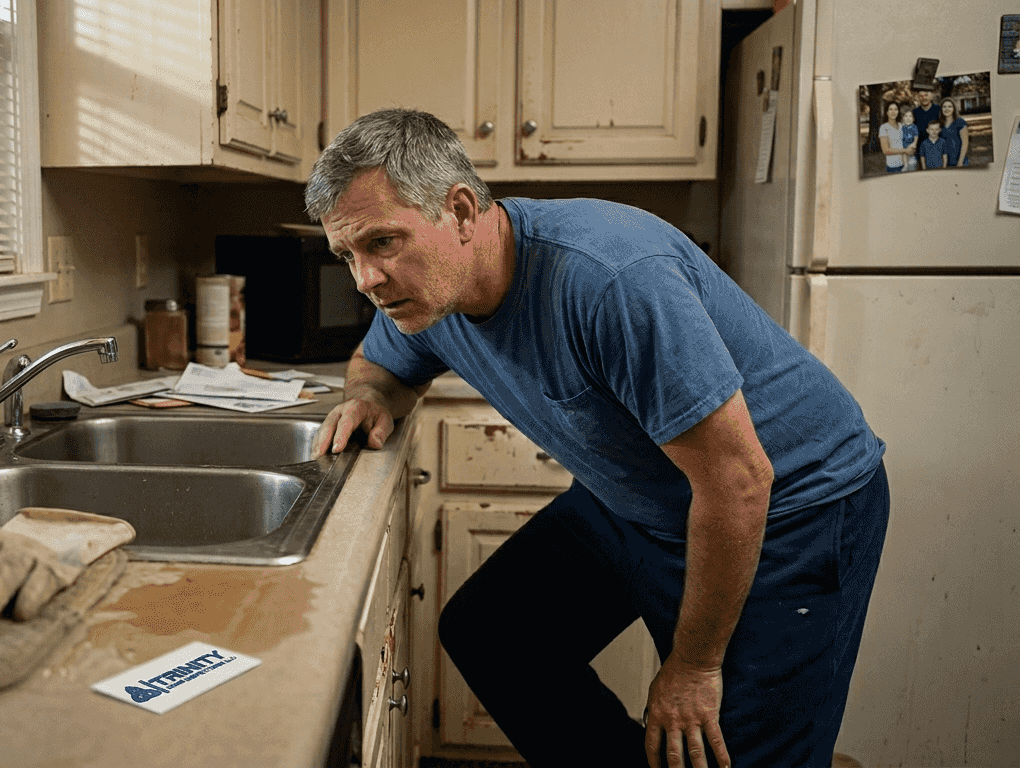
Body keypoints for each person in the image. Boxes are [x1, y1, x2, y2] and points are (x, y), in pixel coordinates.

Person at [304, 108, 889, 768]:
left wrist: (694, 667)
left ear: (461, 212)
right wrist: (368, 396)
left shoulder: (607, 279)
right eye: (347, 256)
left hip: (790, 508)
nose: (365, 280)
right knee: (495, 632)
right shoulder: (427, 294)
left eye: (382, 243)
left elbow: (739, 482)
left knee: (721, 747)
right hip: (643, 499)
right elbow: (378, 365)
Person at [877, 101, 908, 173]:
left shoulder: (902, 125)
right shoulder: (884, 128)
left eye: (896, 109)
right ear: (887, 112)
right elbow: (885, 150)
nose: (893, 112)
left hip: (906, 165)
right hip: (893, 167)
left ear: (898, 112)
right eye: (891, 109)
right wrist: (904, 150)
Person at [911, 89, 941, 165]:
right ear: (918, 98)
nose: (923, 98)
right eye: (921, 96)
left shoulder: (938, 109)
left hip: (937, 149)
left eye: (926, 95)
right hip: (920, 150)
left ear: (931, 96)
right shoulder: (915, 112)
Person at [938, 97, 970, 167]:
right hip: (945, 162)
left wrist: (960, 162)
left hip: (959, 161)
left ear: (954, 109)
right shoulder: (940, 124)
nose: (947, 109)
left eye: (950, 106)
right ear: (941, 109)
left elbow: (965, 144)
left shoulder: (960, 122)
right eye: (944, 107)